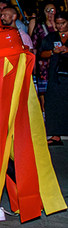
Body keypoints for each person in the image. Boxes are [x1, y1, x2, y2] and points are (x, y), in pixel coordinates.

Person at [39, 11, 68, 145]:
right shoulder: (51, 37)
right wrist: (53, 52)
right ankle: (55, 134)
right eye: (57, 24)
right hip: (56, 74)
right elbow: (41, 53)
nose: (60, 26)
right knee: (53, 103)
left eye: (63, 23)